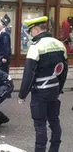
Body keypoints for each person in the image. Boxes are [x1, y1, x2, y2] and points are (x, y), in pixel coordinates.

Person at [18, 16, 68, 152]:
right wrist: (59, 88)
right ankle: (54, 149)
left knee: (40, 125)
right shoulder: (59, 44)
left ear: (36, 29)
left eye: (30, 32)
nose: (30, 35)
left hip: (40, 91)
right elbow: (64, 70)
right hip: (54, 90)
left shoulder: (36, 47)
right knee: (54, 121)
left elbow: (29, 74)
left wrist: (22, 95)